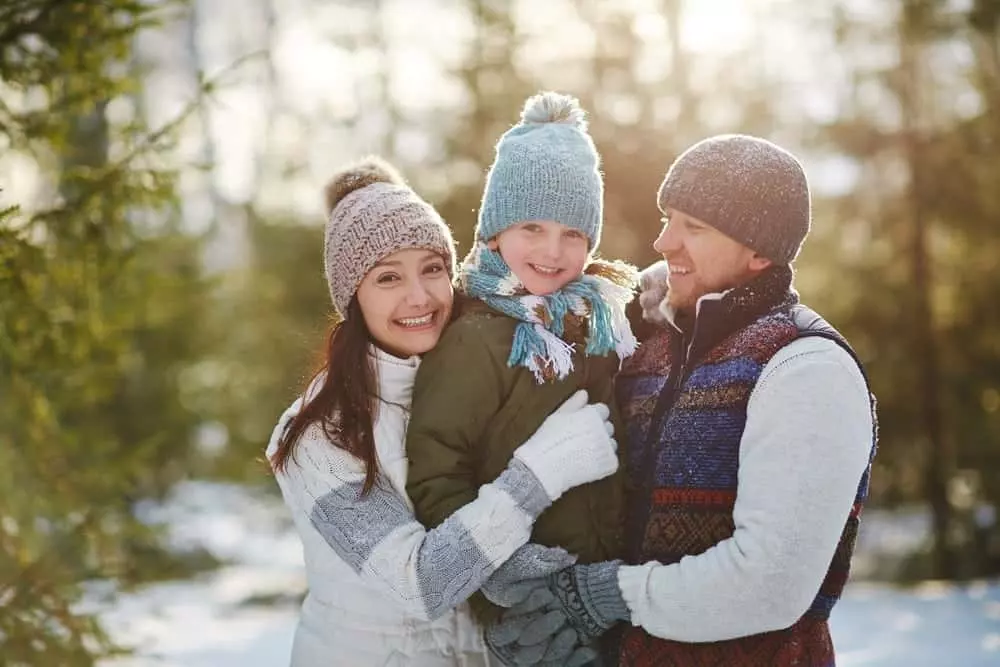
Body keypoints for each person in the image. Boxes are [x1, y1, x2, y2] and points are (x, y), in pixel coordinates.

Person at [487, 134, 878, 666]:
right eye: (669, 217)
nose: (664, 242)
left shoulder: (805, 370)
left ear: (760, 251)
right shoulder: (652, 344)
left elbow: (770, 584)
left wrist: (605, 595)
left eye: (694, 227)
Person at [264, 156, 621, 667]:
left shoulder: (470, 384)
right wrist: (539, 474)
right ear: (353, 296)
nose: (419, 296)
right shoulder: (318, 437)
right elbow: (421, 584)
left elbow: (553, 288)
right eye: (388, 278)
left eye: (432, 269)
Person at [404, 92, 638, 663]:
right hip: (521, 608)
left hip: (601, 597)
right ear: (493, 234)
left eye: (574, 235)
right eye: (531, 227)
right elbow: (437, 474)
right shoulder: (473, 338)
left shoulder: (599, 323)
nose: (553, 252)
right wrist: (506, 572)